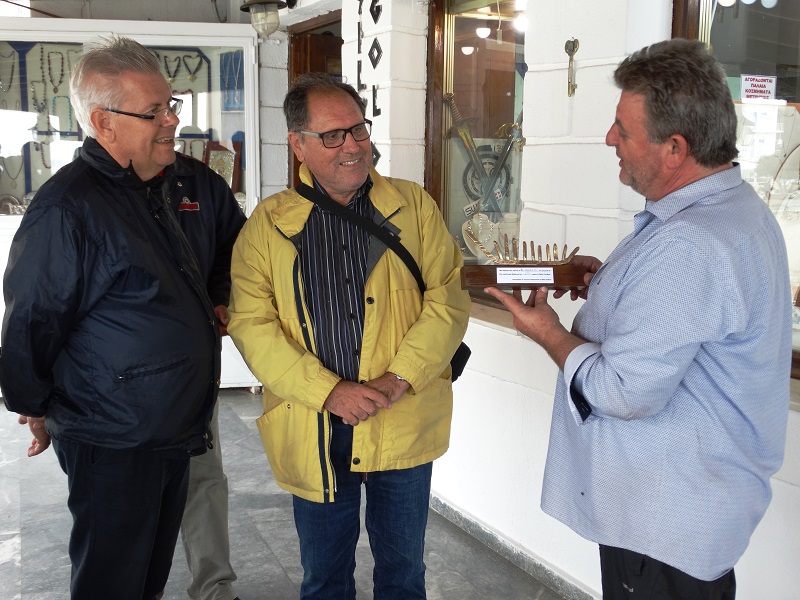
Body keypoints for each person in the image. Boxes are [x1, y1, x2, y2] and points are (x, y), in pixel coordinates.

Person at [486, 39, 790, 600]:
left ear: (674, 148)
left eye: (623, 131)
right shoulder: (736, 209)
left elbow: (622, 391)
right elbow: (684, 317)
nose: (610, 139)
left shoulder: (690, 242)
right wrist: (614, 287)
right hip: (690, 516)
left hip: (665, 526)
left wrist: (548, 333)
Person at [1, 36, 245, 600]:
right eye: (154, 111)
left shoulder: (166, 185)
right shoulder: (68, 207)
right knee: (113, 581)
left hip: (169, 424)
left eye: (171, 105)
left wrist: (216, 300)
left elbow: (222, 257)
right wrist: (34, 405)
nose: (172, 120)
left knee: (146, 580)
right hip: (114, 434)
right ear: (103, 122)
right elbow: (32, 321)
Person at [227, 73, 471, 599]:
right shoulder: (267, 225)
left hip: (400, 417)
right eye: (332, 136)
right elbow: (251, 324)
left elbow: (448, 300)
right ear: (298, 144)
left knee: (404, 574)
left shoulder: (414, 206)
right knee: (324, 578)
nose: (353, 146)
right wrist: (330, 392)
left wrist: (397, 379)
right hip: (314, 424)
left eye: (358, 129)